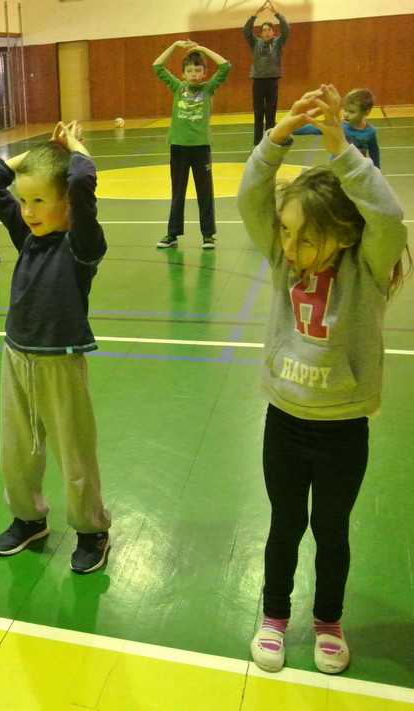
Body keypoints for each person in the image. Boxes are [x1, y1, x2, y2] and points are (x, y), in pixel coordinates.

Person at [238, 84, 409, 675]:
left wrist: (341, 147)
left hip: (342, 429)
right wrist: (279, 135)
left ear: (344, 235)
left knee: (331, 531)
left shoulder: (367, 266)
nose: (290, 246)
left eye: (306, 237)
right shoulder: (282, 258)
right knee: (284, 526)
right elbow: (251, 196)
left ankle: (329, 621)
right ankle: (273, 616)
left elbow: (388, 215)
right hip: (284, 421)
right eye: (286, 232)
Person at [0, 121, 112, 574]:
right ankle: (28, 519)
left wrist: (73, 148)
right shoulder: (27, 236)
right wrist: (39, 152)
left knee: (74, 454)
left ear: (67, 204)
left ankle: (91, 530)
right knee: (16, 451)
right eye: (23, 201)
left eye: (39, 201)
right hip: (15, 356)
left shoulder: (81, 245)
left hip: (60, 362)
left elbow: (81, 181)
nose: (28, 211)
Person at [152, 41, 231, 250]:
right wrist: (174, 45)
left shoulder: (208, 89)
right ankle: (172, 234)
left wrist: (202, 50)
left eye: (198, 70)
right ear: (183, 74)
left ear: (204, 73)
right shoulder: (177, 87)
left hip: (201, 148)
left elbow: (226, 66)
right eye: (189, 71)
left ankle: (208, 235)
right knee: (177, 192)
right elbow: (157, 66)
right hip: (178, 147)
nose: (194, 74)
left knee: (205, 192)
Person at [293, 88, 381, 168]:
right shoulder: (338, 126)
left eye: (351, 112)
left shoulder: (370, 132)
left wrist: (377, 170)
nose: (346, 115)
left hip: (358, 168)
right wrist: (290, 129)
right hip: (337, 168)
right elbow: (314, 128)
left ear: (366, 113)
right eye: (345, 110)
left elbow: (374, 153)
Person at [244, 1, 290, 146]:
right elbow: (246, 31)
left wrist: (277, 13)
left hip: (272, 82)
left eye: (269, 30)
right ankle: (257, 143)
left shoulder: (278, 43)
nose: (266, 32)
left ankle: (270, 142)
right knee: (258, 114)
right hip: (258, 81)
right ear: (261, 33)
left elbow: (286, 28)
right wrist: (255, 14)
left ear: (273, 32)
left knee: (271, 114)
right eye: (264, 30)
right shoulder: (255, 43)